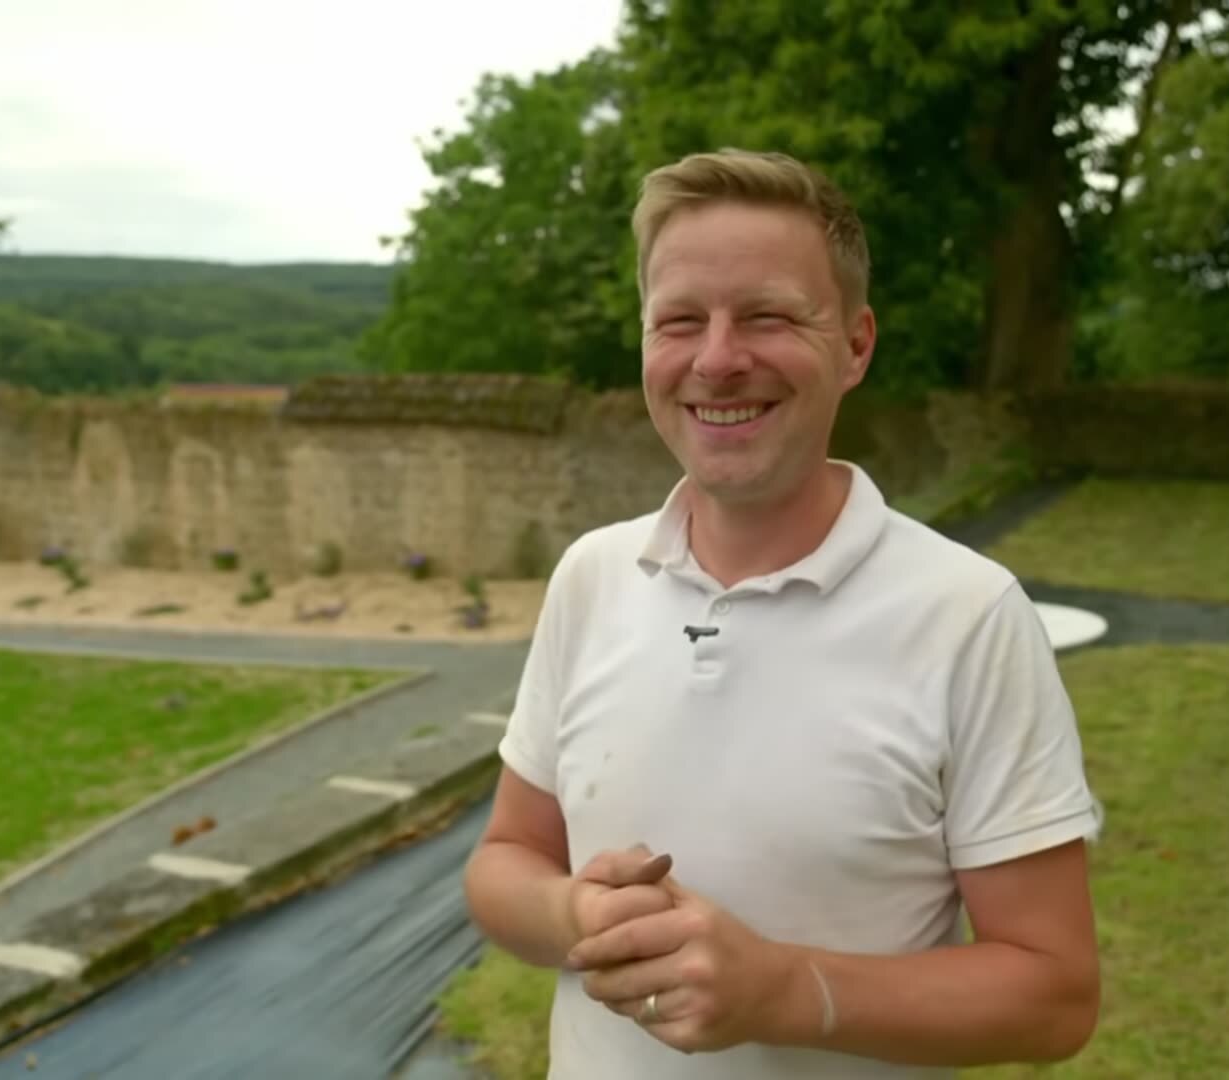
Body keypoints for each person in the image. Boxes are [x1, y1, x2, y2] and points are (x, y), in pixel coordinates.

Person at [461, 148, 1104, 1079]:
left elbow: (1054, 996)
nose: (718, 359)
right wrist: (575, 914)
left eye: (767, 316)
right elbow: (507, 858)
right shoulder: (593, 576)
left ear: (856, 345)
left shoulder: (968, 616)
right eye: (680, 320)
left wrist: (785, 994)